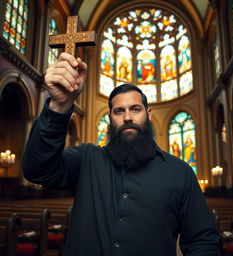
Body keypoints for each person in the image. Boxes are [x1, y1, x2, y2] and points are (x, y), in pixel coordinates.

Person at [22, 52, 220, 256]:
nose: (127, 117)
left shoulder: (180, 172)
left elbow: (202, 241)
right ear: (110, 117)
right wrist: (59, 106)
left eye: (135, 109)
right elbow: (38, 169)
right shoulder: (86, 159)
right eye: (119, 111)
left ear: (148, 114)